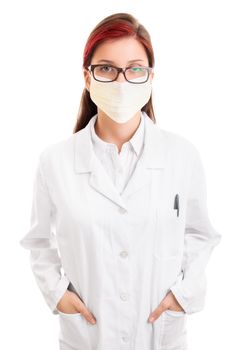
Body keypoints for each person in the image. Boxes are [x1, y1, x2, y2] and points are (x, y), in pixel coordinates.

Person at [19, 12, 222, 350]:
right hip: (88, 335)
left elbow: (202, 235)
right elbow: (38, 242)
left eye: (135, 69)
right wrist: (57, 294)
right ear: (88, 78)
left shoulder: (182, 155)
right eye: (107, 68)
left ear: (150, 77)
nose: (121, 82)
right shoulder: (54, 161)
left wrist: (182, 296)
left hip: (158, 334)